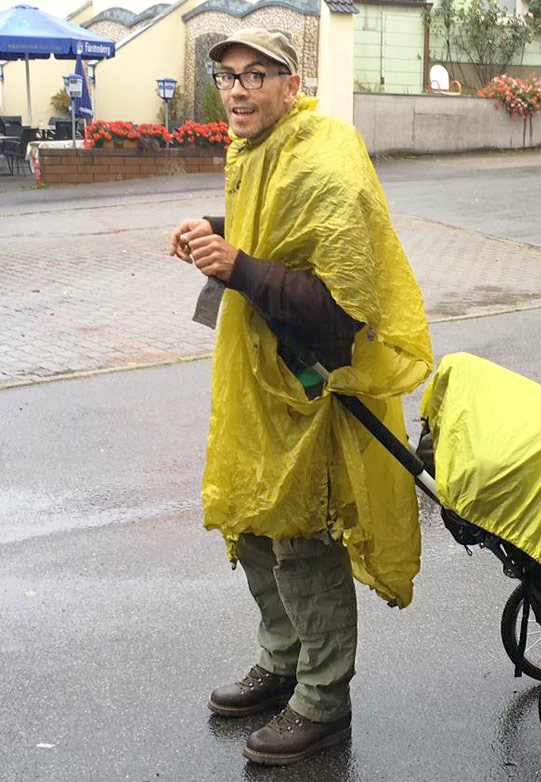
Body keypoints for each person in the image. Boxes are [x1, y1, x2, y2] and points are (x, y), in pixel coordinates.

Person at [167, 29, 433, 766]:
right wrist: (213, 236)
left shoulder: (325, 153)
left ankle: (322, 700)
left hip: (312, 388)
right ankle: (280, 661)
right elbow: (272, 242)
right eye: (227, 77)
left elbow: (342, 307)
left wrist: (239, 265)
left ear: (293, 83)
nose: (239, 90)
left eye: (257, 75)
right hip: (258, 382)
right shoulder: (254, 150)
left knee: (302, 539)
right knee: (254, 521)